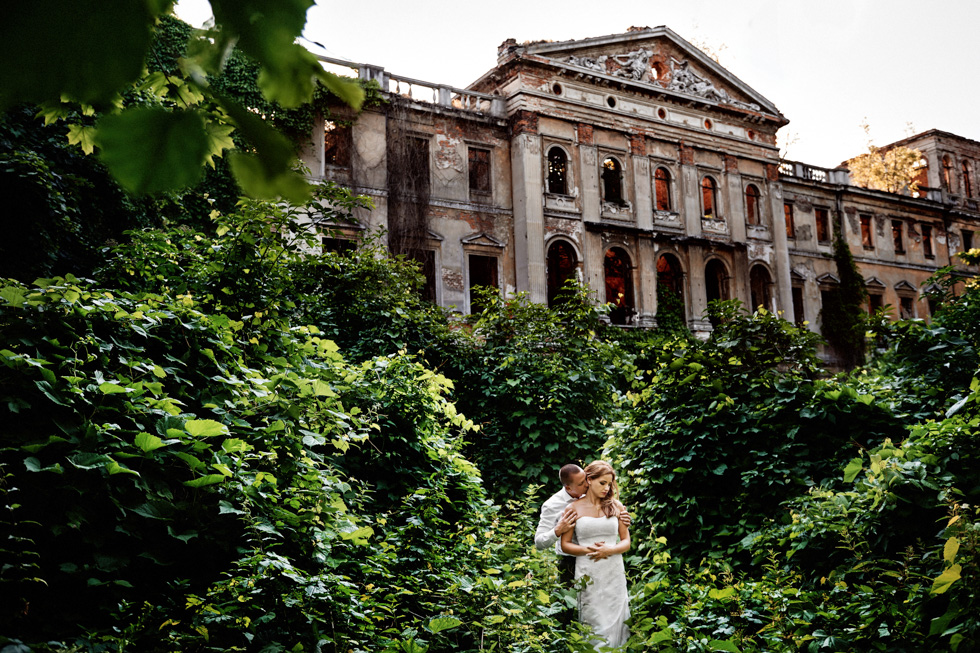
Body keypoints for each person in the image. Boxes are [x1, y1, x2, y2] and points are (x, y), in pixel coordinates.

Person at [560, 461, 631, 650]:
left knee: (615, 614)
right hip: (588, 569)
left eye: (609, 484)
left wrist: (609, 550)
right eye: (602, 483)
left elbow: (626, 542)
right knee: (593, 615)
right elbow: (565, 545)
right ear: (589, 480)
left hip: (613, 569)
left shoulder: (616, 506)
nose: (606, 488)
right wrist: (588, 549)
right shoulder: (573, 508)